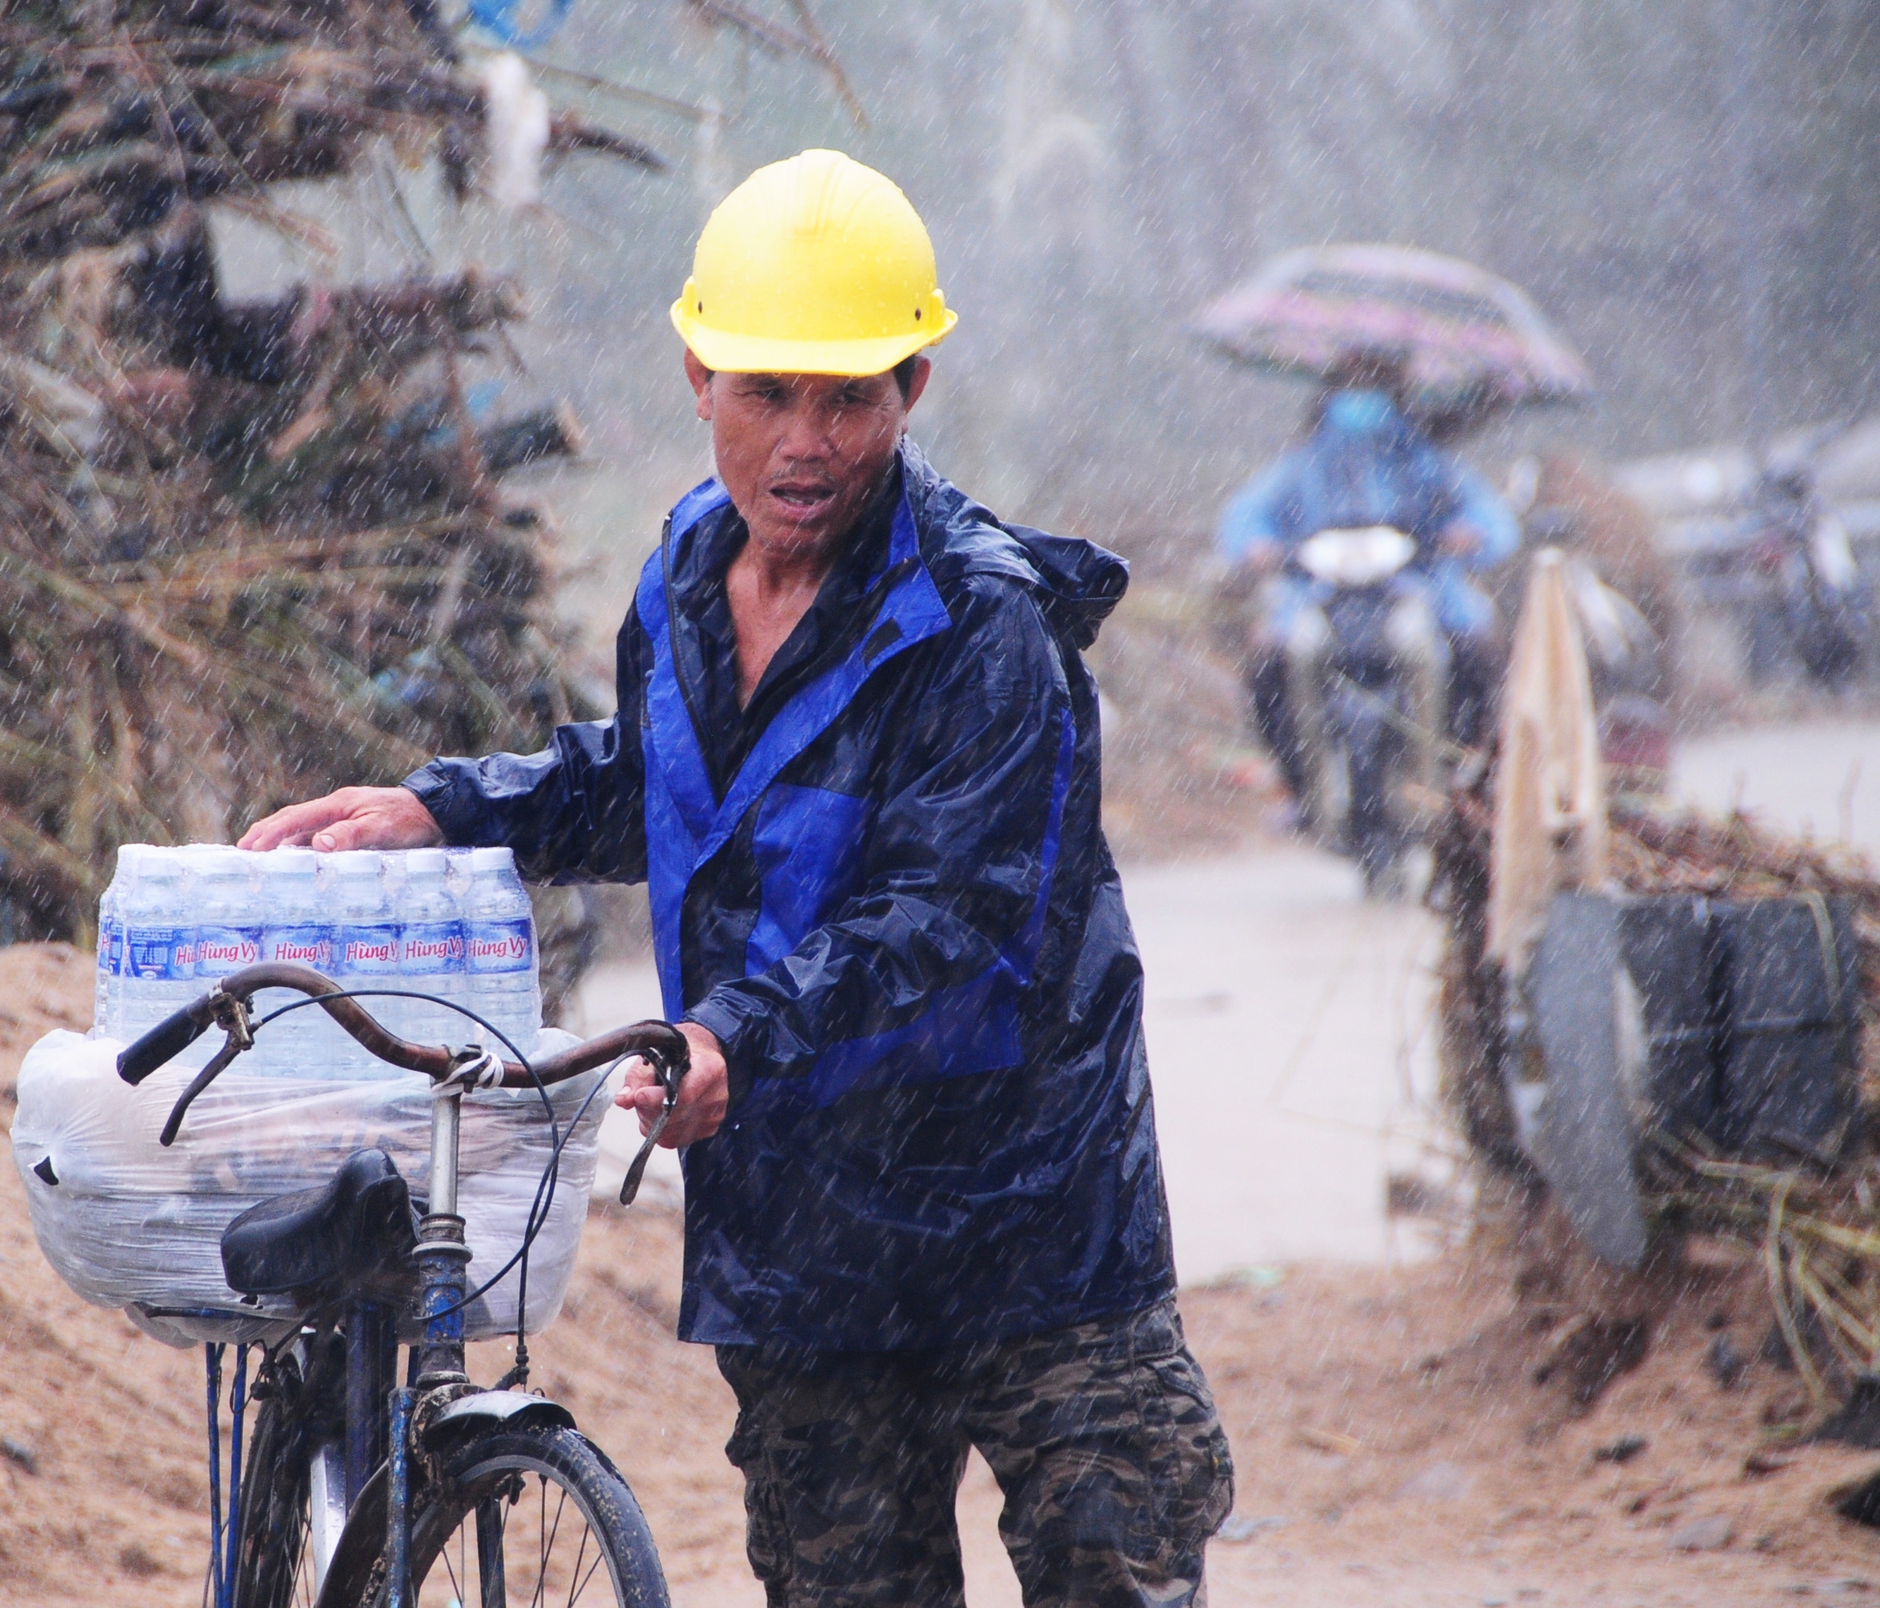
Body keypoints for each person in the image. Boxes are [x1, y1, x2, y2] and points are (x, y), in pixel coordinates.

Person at [241, 149, 1231, 1608]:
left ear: (915, 390)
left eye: (849, 396)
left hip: (1032, 1229)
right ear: (698, 372)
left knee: (1110, 1573)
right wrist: (443, 808)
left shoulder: (985, 629)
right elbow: (663, 788)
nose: (807, 440)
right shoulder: (687, 580)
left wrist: (735, 1036)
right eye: (769, 390)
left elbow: (949, 916)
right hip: (812, 1239)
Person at [1217, 378, 1519, 808]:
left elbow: (1488, 516)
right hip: (1318, 596)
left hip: (1419, 592)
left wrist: (1470, 533)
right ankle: (1299, 781)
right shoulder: (1305, 465)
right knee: (1269, 665)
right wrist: (1256, 546)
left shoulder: (1422, 462)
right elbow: (1246, 516)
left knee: (1477, 654)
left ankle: (1462, 771)